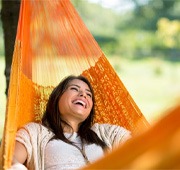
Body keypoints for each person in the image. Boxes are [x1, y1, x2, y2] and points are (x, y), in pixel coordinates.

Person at [9, 75, 131, 170]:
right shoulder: (35, 132)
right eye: (74, 89)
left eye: (89, 95)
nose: (83, 94)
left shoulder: (106, 133)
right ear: (57, 97)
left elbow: (139, 145)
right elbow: (10, 159)